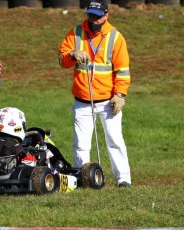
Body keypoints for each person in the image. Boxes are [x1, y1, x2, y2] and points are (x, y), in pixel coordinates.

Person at [57, 0, 131, 187]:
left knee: (115, 141)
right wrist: (72, 54)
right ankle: (83, 180)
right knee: (81, 144)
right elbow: (61, 59)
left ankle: (123, 180)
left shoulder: (116, 37)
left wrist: (120, 95)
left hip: (108, 102)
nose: (93, 20)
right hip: (82, 101)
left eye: (97, 17)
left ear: (106, 15)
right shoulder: (76, 32)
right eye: (90, 15)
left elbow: (122, 71)